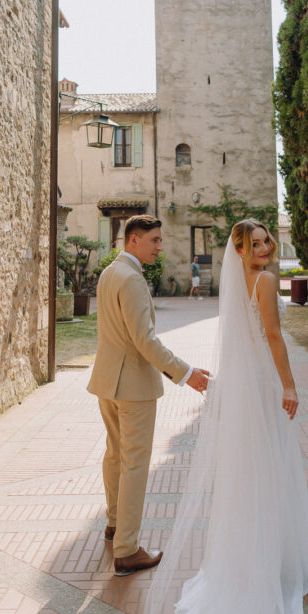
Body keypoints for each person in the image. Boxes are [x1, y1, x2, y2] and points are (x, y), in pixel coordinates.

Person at [131, 218, 308, 614]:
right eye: (255, 243)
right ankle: (270, 570)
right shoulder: (262, 282)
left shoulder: (242, 282)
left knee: (256, 476)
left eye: (266, 241)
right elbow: (276, 339)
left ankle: (270, 560)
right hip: (262, 383)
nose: (264, 248)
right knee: (269, 472)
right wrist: (289, 386)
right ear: (241, 250)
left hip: (244, 383)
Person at [87, 215, 209, 576]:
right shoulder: (132, 278)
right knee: (135, 463)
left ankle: (113, 526)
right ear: (134, 240)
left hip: (107, 381)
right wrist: (187, 374)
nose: (160, 246)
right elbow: (145, 340)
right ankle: (127, 549)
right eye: (154, 240)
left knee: (114, 456)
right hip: (133, 387)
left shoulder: (110, 273)